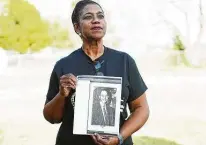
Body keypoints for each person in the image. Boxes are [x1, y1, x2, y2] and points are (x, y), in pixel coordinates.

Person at [43, 0, 150, 145]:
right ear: (76, 27)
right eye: (88, 17)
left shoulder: (124, 61)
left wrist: (119, 137)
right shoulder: (63, 65)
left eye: (100, 16)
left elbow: (141, 109)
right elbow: (51, 117)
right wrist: (62, 95)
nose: (96, 21)